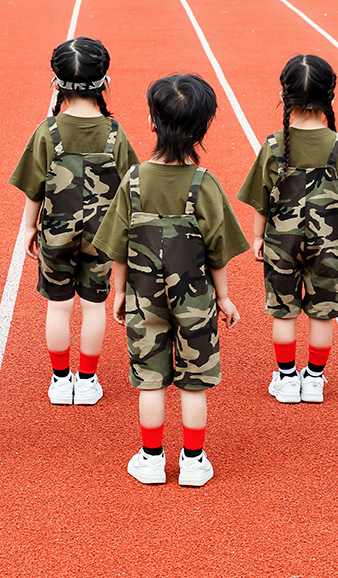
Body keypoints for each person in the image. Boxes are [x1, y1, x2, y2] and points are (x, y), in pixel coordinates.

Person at [94, 74, 248, 487]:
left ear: (151, 123)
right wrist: (225, 297)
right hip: (196, 301)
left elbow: (121, 243)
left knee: (150, 379)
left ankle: (151, 458)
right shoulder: (205, 184)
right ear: (203, 129)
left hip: (144, 299)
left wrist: (120, 291)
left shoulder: (134, 181)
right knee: (194, 382)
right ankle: (194, 461)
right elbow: (217, 250)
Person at [237, 55, 338, 404]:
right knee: (322, 313)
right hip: (328, 242)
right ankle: (314, 379)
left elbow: (262, 201)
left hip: (281, 242)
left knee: (284, 311)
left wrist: (257, 237)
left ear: (286, 97)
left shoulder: (273, 145)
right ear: (330, 96)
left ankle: (286, 378)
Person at [10, 37, 138, 406]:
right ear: (105, 83)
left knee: (59, 306)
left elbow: (34, 189)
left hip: (55, 231)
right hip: (102, 235)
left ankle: (60, 379)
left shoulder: (47, 132)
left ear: (56, 84)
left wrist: (29, 228)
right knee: (94, 306)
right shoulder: (115, 134)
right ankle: (87, 380)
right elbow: (131, 188)